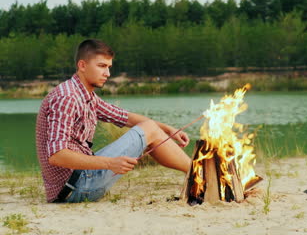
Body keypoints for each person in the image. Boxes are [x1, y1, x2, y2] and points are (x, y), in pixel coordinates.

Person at [36, 39, 191, 203]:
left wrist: (168, 130)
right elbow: (56, 156)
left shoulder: (86, 96)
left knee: (150, 127)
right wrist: (111, 163)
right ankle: (199, 173)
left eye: (109, 67)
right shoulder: (66, 97)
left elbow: (125, 117)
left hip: (81, 180)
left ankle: (197, 173)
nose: (108, 74)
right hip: (75, 188)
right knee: (149, 128)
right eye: (101, 66)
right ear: (82, 65)